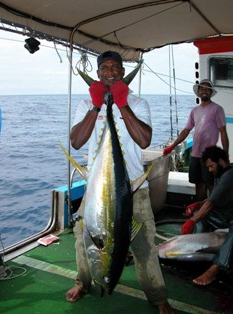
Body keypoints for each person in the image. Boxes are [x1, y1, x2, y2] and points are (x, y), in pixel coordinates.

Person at [65, 51, 174, 313]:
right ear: (99, 72)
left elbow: (145, 140)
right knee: (83, 239)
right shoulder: (85, 104)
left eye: (115, 67)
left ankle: (159, 298)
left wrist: (121, 104)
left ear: (123, 73)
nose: (110, 72)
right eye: (105, 68)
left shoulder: (137, 103)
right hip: (96, 190)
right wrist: (96, 106)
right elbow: (77, 141)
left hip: (133, 189)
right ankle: (84, 281)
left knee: (145, 245)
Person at [163, 79, 229, 201]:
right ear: (198, 92)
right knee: (198, 183)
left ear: (210, 92)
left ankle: (214, 212)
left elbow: (223, 132)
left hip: (209, 155)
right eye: (202, 88)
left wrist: (224, 154)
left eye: (207, 89)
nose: (204, 91)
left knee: (211, 184)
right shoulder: (195, 111)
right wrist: (172, 146)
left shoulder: (217, 109)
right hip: (195, 154)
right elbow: (186, 131)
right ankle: (200, 210)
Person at [181, 146, 233, 286]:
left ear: (221, 161)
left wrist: (191, 221)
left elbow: (210, 204)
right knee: (200, 214)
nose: (209, 170)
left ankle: (217, 267)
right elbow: (211, 200)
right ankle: (196, 251)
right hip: (225, 216)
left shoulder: (230, 175)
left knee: (199, 216)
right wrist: (197, 205)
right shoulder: (220, 174)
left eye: (211, 166)